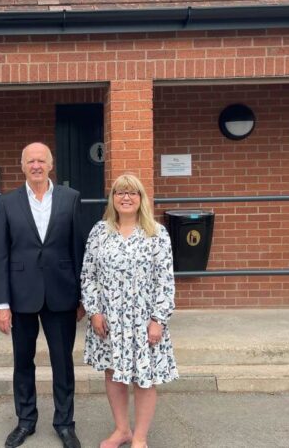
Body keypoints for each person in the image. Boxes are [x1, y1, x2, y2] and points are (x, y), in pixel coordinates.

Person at [0, 142, 85, 448]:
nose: (36, 165)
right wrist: (2, 303)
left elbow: (78, 249)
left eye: (41, 160)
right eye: (30, 161)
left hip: (61, 292)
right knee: (23, 361)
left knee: (62, 362)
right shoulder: (7, 202)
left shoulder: (70, 199)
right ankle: (26, 421)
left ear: (51, 164)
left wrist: (82, 296)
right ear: (22, 166)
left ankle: (64, 423)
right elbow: (2, 255)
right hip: (21, 295)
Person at [80, 174, 178, 448]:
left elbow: (165, 280)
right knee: (113, 372)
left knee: (144, 378)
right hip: (109, 320)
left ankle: (140, 437)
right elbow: (88, 276)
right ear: (112, 199)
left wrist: (158, 319)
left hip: (143, 320)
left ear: (141, 198)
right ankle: (122, 429)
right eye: (120, 193)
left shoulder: (156, 233)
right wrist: (94, 311)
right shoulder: (100, 232)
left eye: (132, 193)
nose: (126, 197)